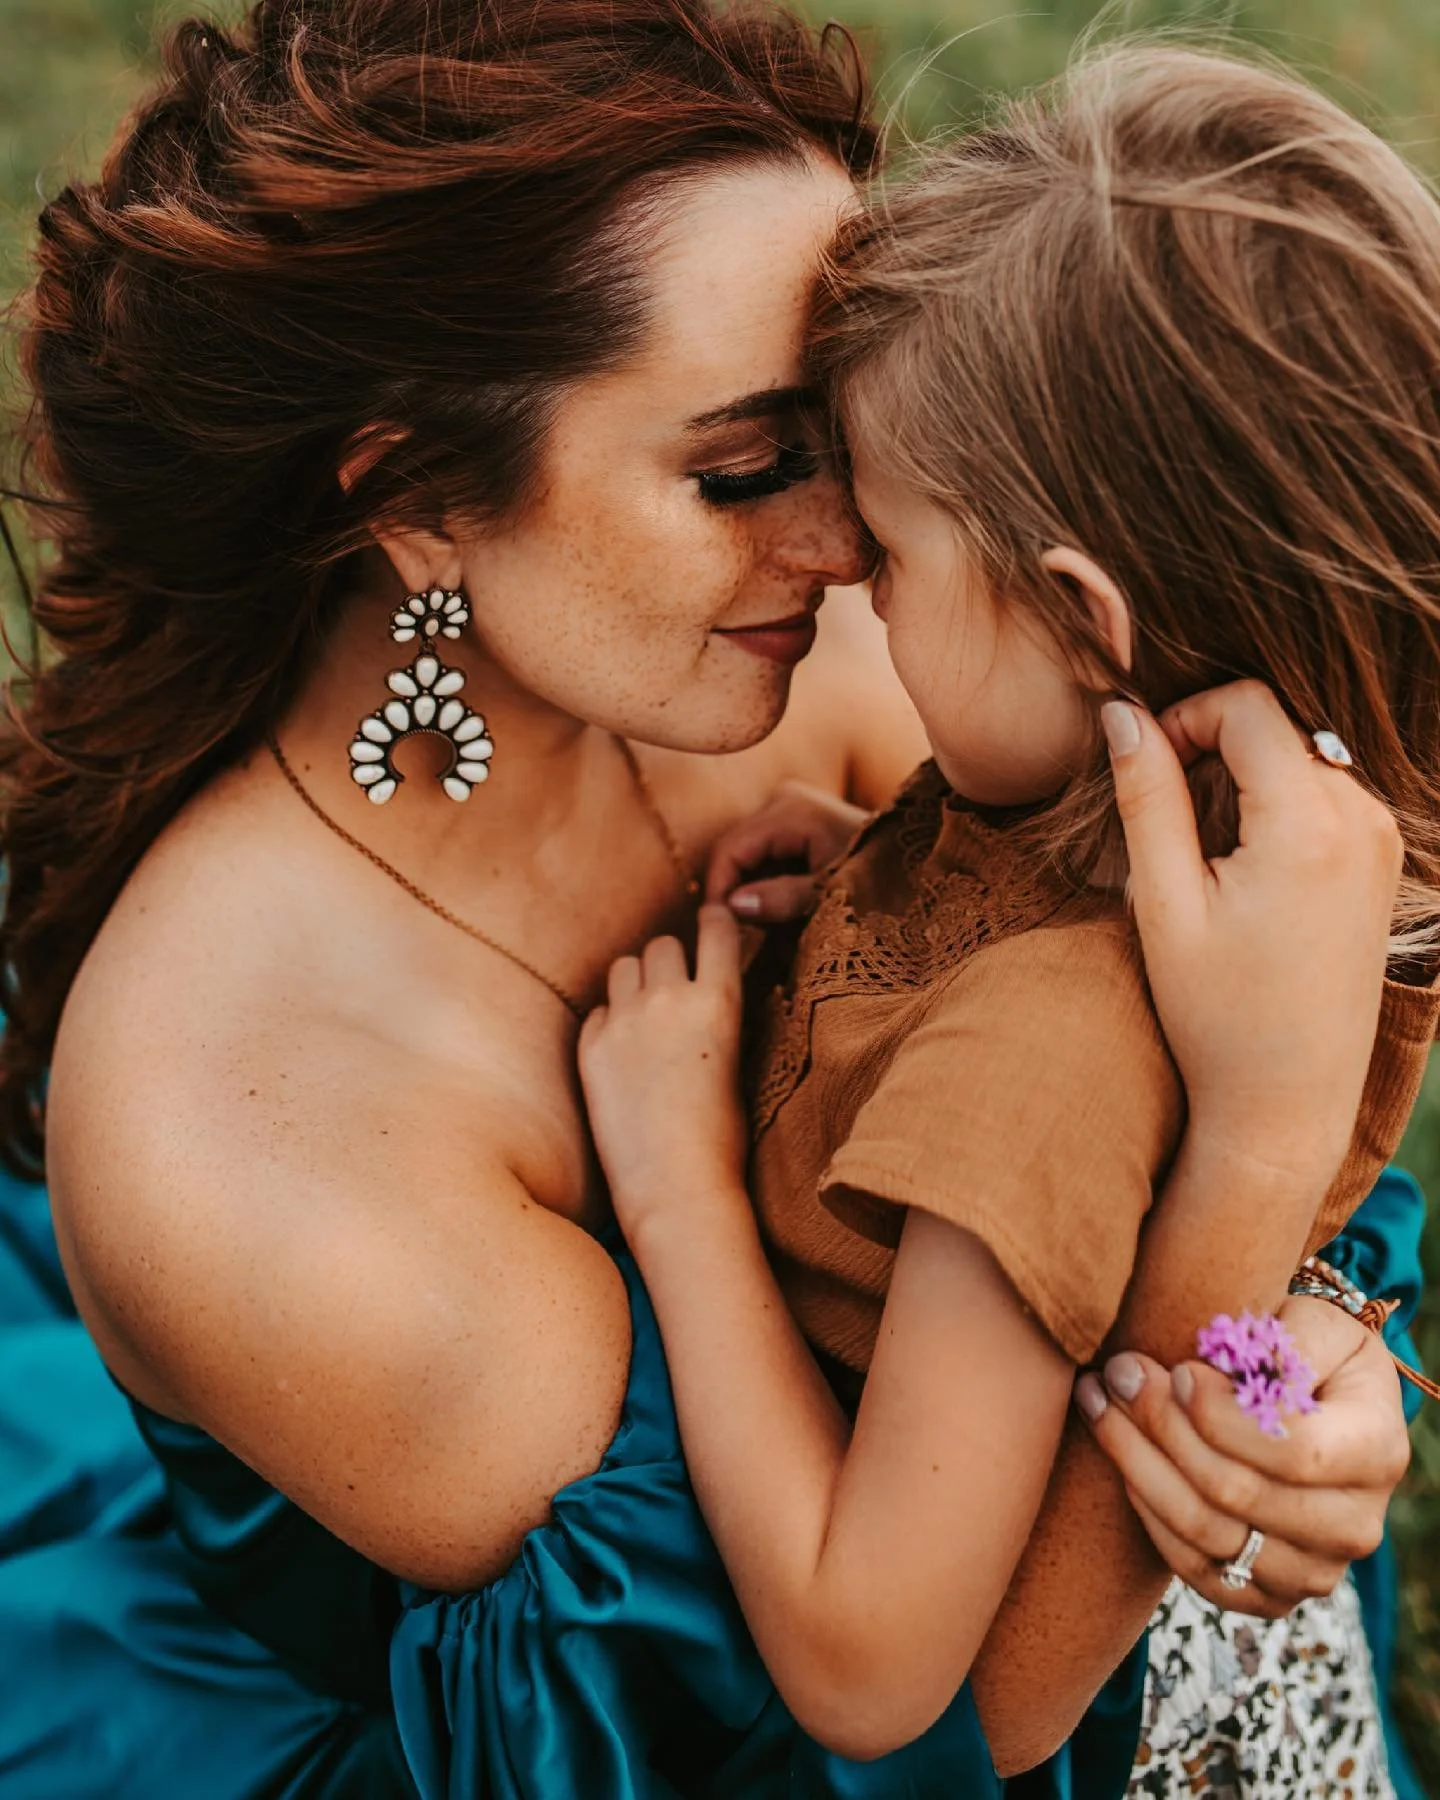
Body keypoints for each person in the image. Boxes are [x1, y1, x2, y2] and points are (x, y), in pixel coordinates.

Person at [0, 2, 1420, 1794]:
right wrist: (1250, 1194)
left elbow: (1156, 1052)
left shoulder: (804, 661)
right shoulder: (267, 1156)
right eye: (745, 469)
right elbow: (883, 1725)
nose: (850, 551)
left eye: (840, 441)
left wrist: (1306, 1376)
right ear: (419, 497)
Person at [577, 43, 1440, 1797]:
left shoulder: (1039, 1059)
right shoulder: (1229, 868)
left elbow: (871, 1668)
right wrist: (873, 885)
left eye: (888, 548)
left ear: (1084, 620)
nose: (840, 575)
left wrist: (675, 1197)